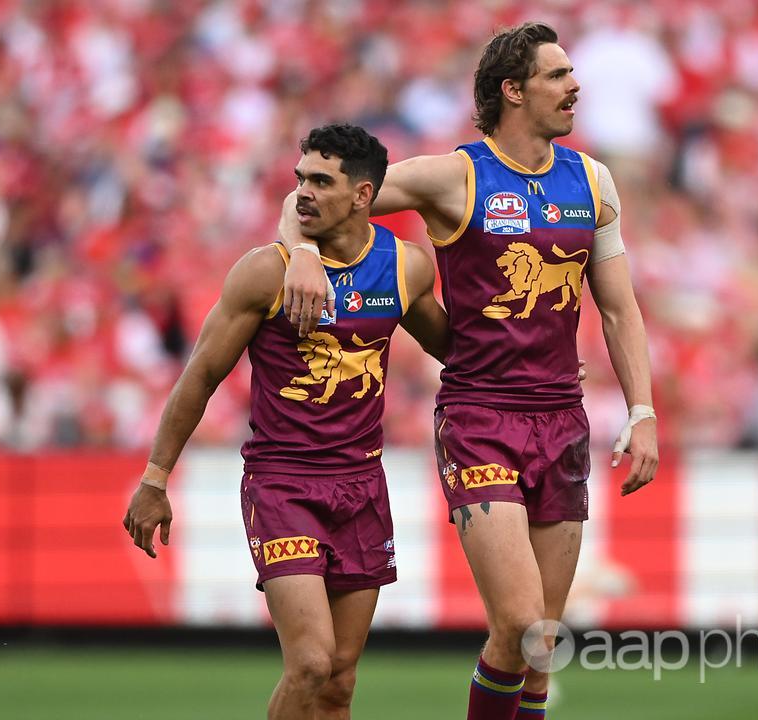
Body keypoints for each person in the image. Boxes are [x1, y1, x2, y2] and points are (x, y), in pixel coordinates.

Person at [278, 22, 660, 720]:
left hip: (562, 420)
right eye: (556, 75)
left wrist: (642, 412)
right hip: (481, 417)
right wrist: (299, 251)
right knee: (519, 624)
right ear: (512, 90)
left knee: (538, 645)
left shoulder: (593, 181)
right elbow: (315, 196)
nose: (575, 85)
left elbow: (618, 310)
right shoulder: (454, 176)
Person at [123, 123, 449, 719]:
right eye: (300, 178)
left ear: (362, 195)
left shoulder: (405, 268)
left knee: (339, 683)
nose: (303, 192)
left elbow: (454, 349)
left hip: (362, 486)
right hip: (283, 485)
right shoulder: (263, 272)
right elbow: (199, 376)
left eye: (322, 181)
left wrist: (532, 362)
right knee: (310, 663)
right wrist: (154, 476)